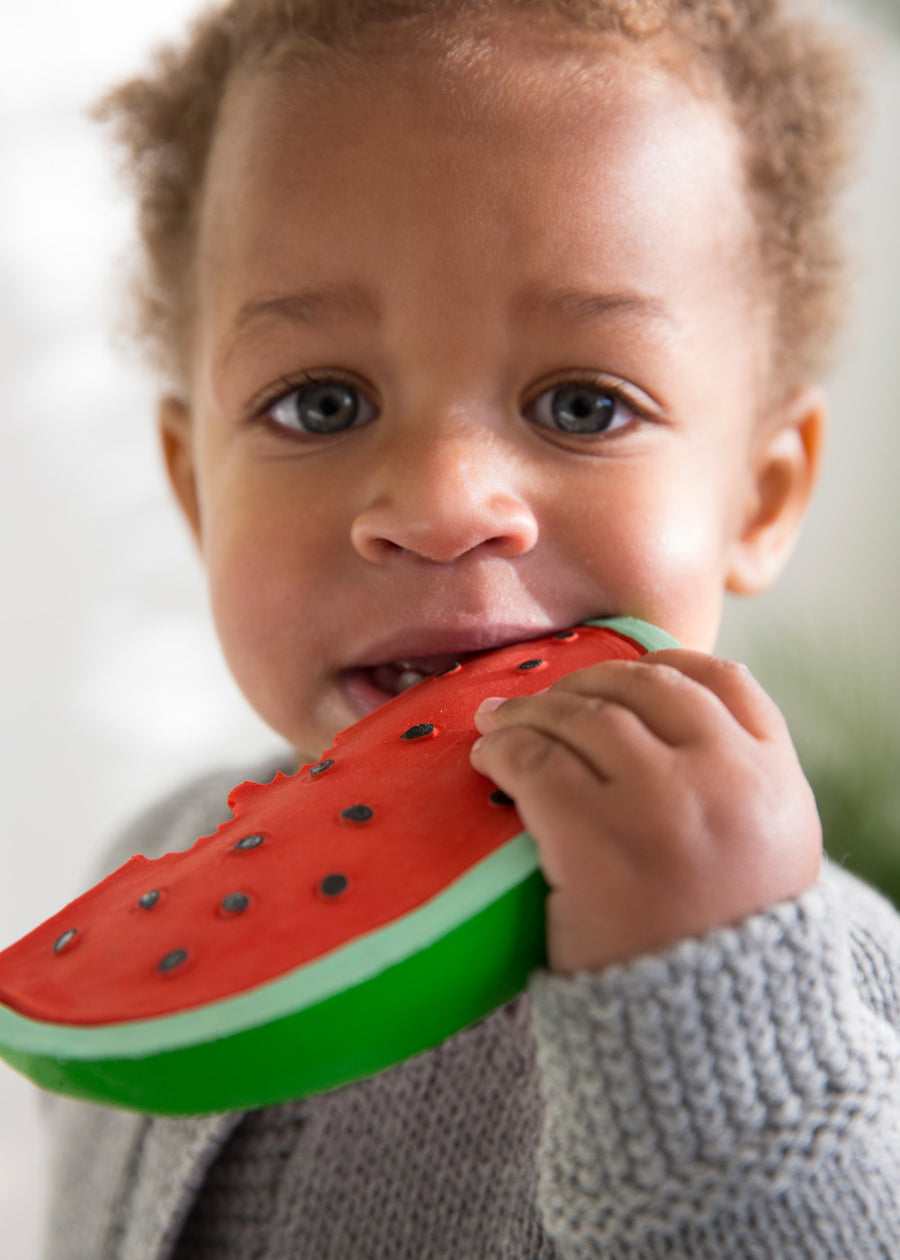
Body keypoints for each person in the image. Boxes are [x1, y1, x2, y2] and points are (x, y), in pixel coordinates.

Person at [41, 0, 900, 1256]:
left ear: (759, 498)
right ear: (194, 490)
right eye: (322, 403)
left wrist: (708, 1001)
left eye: (583, 404)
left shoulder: (831, 983)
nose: (443, 507)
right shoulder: (153, 864)